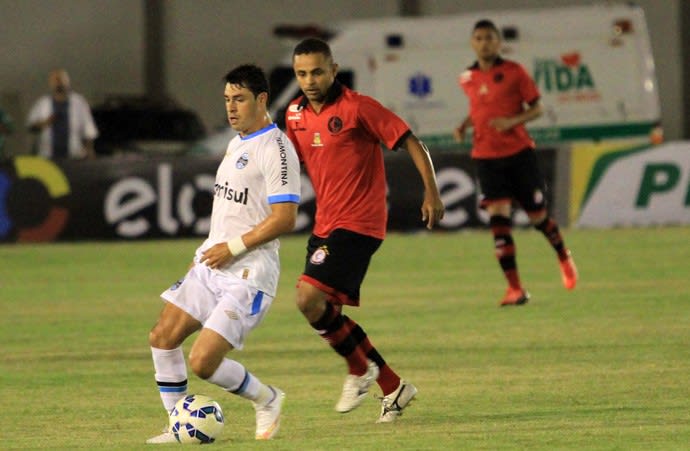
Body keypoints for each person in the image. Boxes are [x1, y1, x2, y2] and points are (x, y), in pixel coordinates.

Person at [285, 38, 445, 423]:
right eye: (302, 73)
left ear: (334, 70)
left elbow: (411, 142)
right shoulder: (294, 115)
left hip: (360, 223)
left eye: (317, 71)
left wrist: (432, 191)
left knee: (308, 298)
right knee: (328, 315)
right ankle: (393, 386)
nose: (309, 80)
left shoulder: (358, 108)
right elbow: (283, 159)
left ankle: (359, 370)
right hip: (325, 225)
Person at [146, 64, 301, 444]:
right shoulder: (236, 141)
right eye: (227, 100)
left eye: (240, 99)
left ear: (262, 100)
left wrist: (231, 248)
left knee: (202, 362)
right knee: (162, 337)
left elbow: (285, 218)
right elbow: (230, 212)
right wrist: (203, 256)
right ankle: (178, 424)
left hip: (248, 275)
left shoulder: (276, 148)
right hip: (210, 264)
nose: (231, 108)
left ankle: (267, 399)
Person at [454, 19, 578, 306]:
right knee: (499, 224)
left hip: (518, 155)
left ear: (499, 42)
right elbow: (479, 110)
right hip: (486, 157)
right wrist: (463, 125)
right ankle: (515, 289)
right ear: (473, 43)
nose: (484, 43)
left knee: (538, 218)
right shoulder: (467, 78)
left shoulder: (514, 72)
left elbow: (537, 107)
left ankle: (563, 255)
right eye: (479, 38)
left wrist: (512, 121)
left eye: (489, 38)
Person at [26, 69, 98, 159]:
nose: (58, 83)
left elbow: (89, 129)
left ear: (67, 82)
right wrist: (45, 122)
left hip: (73, 156)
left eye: (61, 80)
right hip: (48, 157)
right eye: (55, 80)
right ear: (51, 84)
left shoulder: (79, 102)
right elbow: (31, 127)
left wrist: (89, 150)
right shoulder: (42, 104)